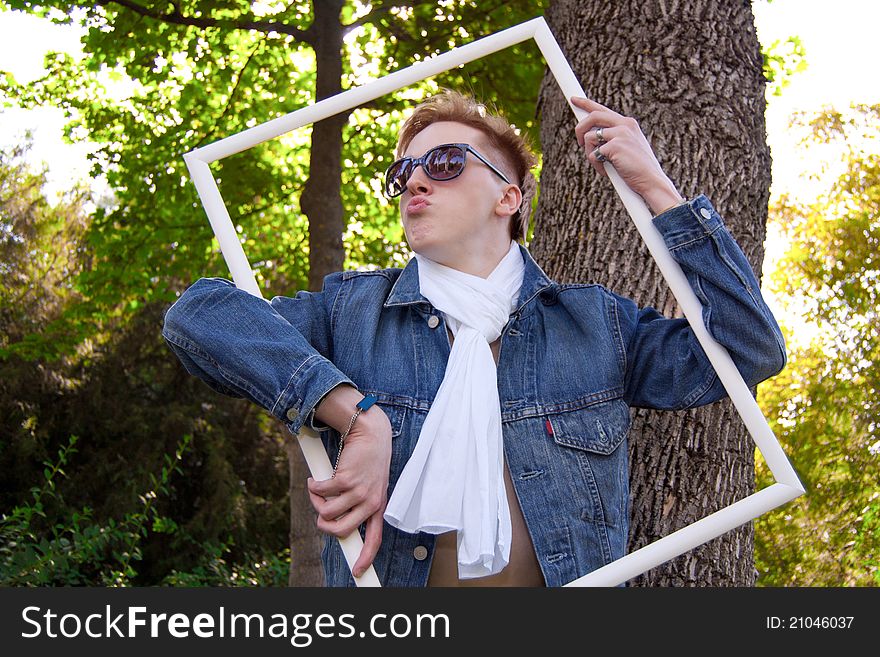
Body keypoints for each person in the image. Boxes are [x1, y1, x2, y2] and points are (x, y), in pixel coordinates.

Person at [162, 91, 786, 587]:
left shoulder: (596, 326)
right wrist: (359, 417)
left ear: (507, 198)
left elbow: (751, 348)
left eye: (445, 164)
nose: (414, 183)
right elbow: (198, 316)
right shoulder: (354, 312)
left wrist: (656, 188)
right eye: (402, 171)